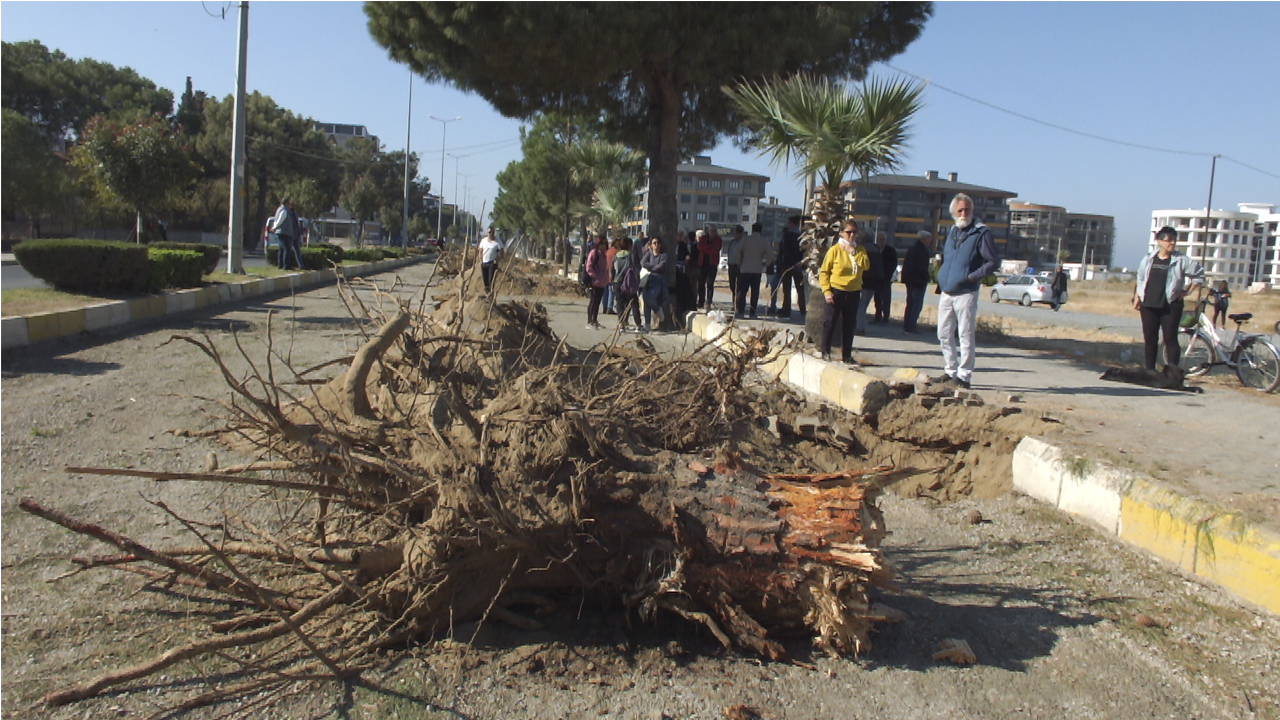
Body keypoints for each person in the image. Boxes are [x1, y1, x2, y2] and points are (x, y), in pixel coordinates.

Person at [936, 193, 1001, 389]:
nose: (964, 213)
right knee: (943, 333)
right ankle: (950, 369)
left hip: (966, 291)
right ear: (954, 212)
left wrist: (972, 276)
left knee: (965, 334)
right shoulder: (953, 231)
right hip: (947, 291)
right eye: (960, 210)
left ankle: (964, 375)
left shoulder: (981, 232)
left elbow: (993, 261)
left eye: (967, 210)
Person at [1134, 226, 1204, 370]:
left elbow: (1199, 276)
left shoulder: (1181, 260)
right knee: (1150, 339)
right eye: (1168, 240)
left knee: (1170, 339)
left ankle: (1172, 373)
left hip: (1170, 305)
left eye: (1174, 241)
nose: (1171, 244)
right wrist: (1137, 296)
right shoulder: (1149, 259)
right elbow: (1140, 278)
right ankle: (1150, 371)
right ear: (1159, 241)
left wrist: (1185, 292)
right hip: (1148, 304)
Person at [818, 221, 871, 365]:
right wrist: (827, 291)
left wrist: (853, 252)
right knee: (830, 322)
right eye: (848, 232)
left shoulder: (860, 250)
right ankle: (825, 352)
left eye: (854, 232)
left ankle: (846, 355)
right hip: (836, 290)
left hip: (853, 291)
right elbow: (824, 272)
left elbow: (866, 265)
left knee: (849, 324)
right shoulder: (835, 250)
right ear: (841, 233)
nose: (852, 235)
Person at [731, 222, 773, 319]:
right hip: (757, 270)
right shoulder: (763, 242)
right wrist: (764, 264)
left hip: (745, 269)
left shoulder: (746, 240)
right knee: (755, 292)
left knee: (742, 292)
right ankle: (752, 313)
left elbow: (736, 251)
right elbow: (771, 255)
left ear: (752, 230)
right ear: (761, 230)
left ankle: (741, 311)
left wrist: (739, 262)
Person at [768, 215, 806, 319]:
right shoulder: (802, 235)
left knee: (787, 289)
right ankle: (803, 311)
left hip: (787, 266)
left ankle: (786, 311)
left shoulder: (787, 235)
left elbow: (785, 251)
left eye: (788, 222)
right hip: (799, 265)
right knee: (800, 290)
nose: (787, 224)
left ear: (792, 223)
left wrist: (785, 263)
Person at [901, 230, 934, 334]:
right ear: (924, 239)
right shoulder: (923, 251)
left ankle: (907, 326)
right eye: (929, 238)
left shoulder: (912, 249)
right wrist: (927, 277)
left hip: (910, 280)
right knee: (916, 305)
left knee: (910, 304)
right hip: (918, 281)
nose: (930, 241)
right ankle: (911, 326)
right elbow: (922, 267)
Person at [855, 231, 886, 335]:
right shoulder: (877, 248)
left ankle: (859, 327)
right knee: (864, 304)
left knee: (860, 305)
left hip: (864, 279)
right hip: (875, 280)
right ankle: (861, 325)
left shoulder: (861, 248)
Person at [612, 237, 643, 332]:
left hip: (617, 282)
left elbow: (611, 271)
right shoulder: (631, 255)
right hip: (629, 283)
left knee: (620, 304)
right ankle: (638, 325)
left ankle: (621, 324)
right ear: (629, 245)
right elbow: (637, 268)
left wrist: (613, 281)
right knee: (634, 303)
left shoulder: (615, 256)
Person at [640, 236, 669, 332]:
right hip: (647, 279)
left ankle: (657, 310)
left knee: (650, 298)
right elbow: (643, 263)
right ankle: (647, 324)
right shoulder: (648, 254)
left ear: (660, 244)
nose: (656, 245)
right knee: (646, 300)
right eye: (654, 243)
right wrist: (653, 266)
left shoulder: (663, 255)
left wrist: (650, 267)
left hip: (658, 280)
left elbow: (661, 267)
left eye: (657, 243)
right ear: (651, 245)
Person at [584, 234, 610, 329]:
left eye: (604, 244)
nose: (603, 246)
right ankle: (589, 321)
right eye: (601, 244)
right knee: (593, 302)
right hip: (595, 282)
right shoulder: (594, 253)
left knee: (598, 302)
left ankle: (594, 320)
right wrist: (595, 276)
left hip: (602, 283)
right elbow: (589, 267)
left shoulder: (603, 255)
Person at [270, 197, 302, 270]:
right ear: (286, 203)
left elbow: (276, 220)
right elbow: (280, 221)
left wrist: (274, 227)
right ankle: (286, 266)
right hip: (283, 233)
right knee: (287, 249)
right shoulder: (284, 211)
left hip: (282, 232)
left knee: (281, 249)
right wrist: (274, 227)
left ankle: (280, 265)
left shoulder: (279, 209)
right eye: (289, 203)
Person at [873, 233, 898, 325]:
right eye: (880, 239)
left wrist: (888, 274)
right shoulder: (875, 249)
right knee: (877, 298)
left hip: (886, 278)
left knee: (886, 298)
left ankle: (886, 317)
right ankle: (877, 316)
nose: (882, 241)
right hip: (876, 278)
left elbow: (894, 263)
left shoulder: (890, 251)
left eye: (884, 239)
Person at [696, 227, 723, 309]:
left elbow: (715, 250)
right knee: (701, 283)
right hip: (702, 264)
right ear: (709, 231)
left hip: (712, 265)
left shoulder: (718, 240)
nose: (713, 232)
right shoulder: (703, 238)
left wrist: (706, 249)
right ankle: (701, 301)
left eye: (714, 231)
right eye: (712, 231)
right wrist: (710, 247)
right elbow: (700, 247)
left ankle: (709, 301)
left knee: (710, 284)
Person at [477, 227, 504, 294]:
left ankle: (491, 294)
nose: (491, 234)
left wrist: (497, 260)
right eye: (489, 232)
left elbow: (502, 252)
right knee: (485, 281)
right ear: (487, 233)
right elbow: (480, 251)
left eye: (492, 232)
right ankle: (487, 293)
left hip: (492, 263)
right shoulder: (484, 240)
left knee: (490, 280)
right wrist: (481, 260)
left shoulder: (497, 241)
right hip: (484, 263)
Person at [725, 225, 744, 303]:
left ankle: (738, 304)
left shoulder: (744, 242)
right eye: (737, 232)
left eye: (740, 232)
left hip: (739, 266)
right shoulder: (732, 242)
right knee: (732, 286)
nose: (738, 234)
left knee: (739, 287)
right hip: (731, 266)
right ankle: (734, 302)